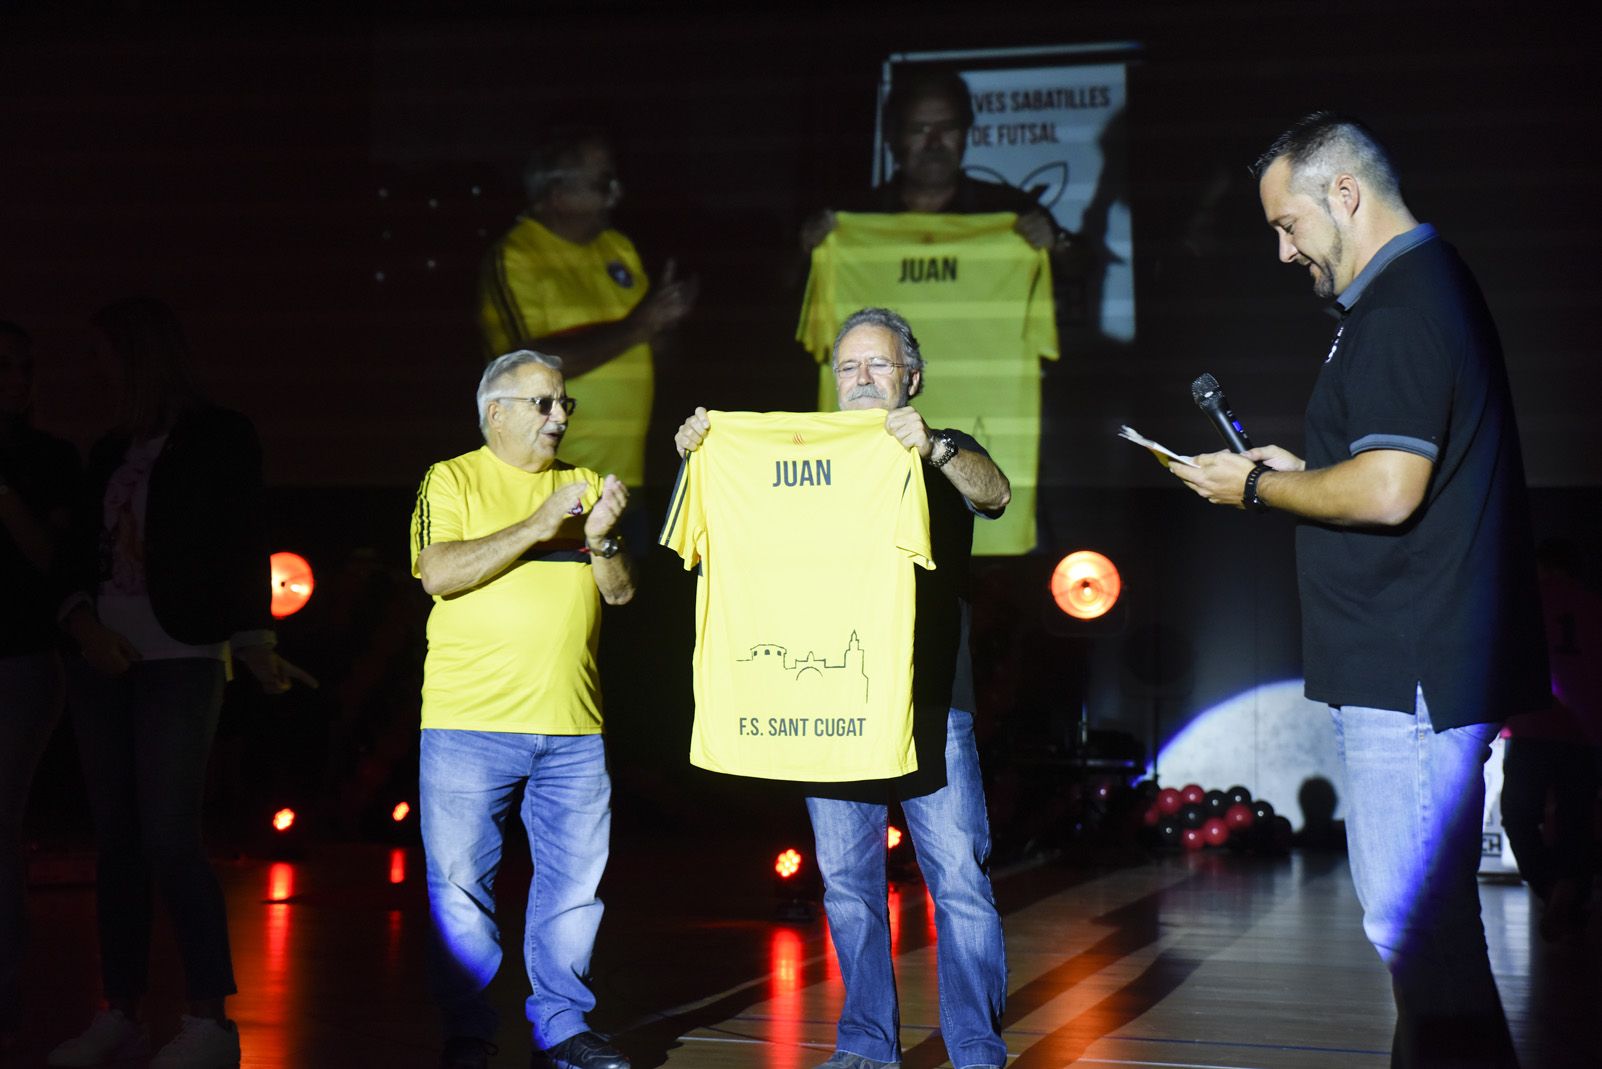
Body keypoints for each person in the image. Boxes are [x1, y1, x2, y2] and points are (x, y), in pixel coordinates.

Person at [1172, 112, 1548, 1067]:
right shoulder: (1419, 291)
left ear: (1346, 193)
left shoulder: (1398, 308)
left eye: (1288, 224)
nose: (1283, 250)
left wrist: (1256, 486)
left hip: (1410, 665)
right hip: (1414, 655)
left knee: (1417, 932)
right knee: (1427, 935)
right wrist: (1307, 467)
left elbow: (1389, 490)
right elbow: (1385, 466)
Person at [674, 307, 1011, 1069]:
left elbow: (994, 494)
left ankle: (975, 1051)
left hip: (932, 712)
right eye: (849, 368)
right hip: (828, 710)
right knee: (849, 888)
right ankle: (866, 1047)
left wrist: (936, 444)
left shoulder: (939, 448)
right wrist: (700, 453)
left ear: (912, 378)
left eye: (879, 367)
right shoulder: (799, 458)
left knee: (958, 882)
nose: (862, 380)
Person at [48, 297, 298, 1069]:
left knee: (167, 833)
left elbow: (239, 538)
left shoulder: (218, 436)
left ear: (137, 357)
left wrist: (255, 636)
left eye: (103, 358)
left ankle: (208, 1019)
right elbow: (78, 554)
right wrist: (85, 623)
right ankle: (120, 1010)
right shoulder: (107, 450)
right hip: (104, 660)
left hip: (181, 656)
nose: (93, 375)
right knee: (117, 840)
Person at [410, 349, 635, 1069]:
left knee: (574, 891)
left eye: (566, 403)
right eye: (544, 403)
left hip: (572, 727)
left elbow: (622, 592)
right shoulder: (451, 478)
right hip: (467, 724)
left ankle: (564, 1028)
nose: (561, 416)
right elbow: (439, 572)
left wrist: (603, 540)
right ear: (495, 411)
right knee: (460, 895)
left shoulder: (585, 483)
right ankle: (469, 1032)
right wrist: (539, 524)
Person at [477, 126, 697, 491]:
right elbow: (520, 364)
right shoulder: (516, 257)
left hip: (624, 480)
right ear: (559, 194)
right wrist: (639, 327)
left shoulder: (618, 247)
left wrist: (665, 322)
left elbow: (656, 351)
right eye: (602, 184)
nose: (616, 195)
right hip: (548, 482)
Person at [0, 320, 79, 1053]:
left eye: (22, 367)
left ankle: (5, 992)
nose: (17, 381)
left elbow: (53, 562)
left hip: (20, 658)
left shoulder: (48, 460)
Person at [799, 69, 1067, 254]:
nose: (935, 143)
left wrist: (1057, 246)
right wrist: (806, 249)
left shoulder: (1010, 210)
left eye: (947, 128)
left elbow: (1081, 266)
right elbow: (781, 285)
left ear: (965, 133)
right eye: (919, 130)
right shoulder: (852, 218)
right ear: (893, 138)